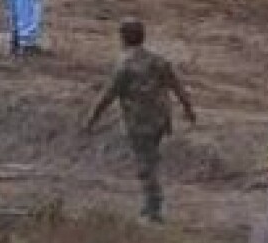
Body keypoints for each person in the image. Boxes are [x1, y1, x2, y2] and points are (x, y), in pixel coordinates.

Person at [84, 18, 196, 223]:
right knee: (150, 159)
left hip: (139, 122)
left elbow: (107, 96)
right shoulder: (158, 61)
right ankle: (152, 205)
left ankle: (152, 210)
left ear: (123, 38)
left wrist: (91, 120)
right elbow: (177, 86)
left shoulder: (124, 66)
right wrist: (188, 110)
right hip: (161, 119)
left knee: (145, 165)